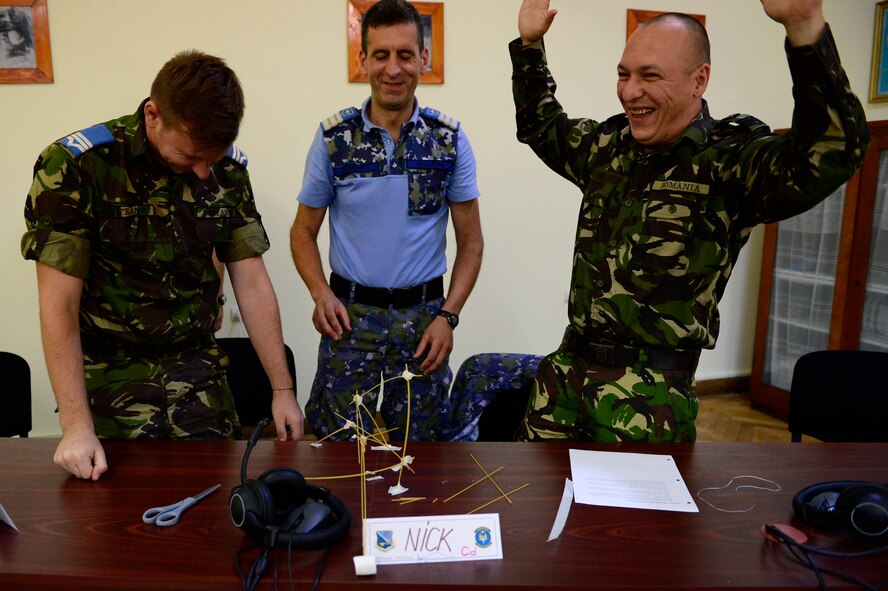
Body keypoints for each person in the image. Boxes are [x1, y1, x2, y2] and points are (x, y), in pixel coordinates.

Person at [511, 0, 869, 442]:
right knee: (535, 504)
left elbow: (832, 152)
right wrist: (530, 45)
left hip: (648, 400)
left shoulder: (728, 161)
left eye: (650, 75)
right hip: (563, 380)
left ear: (699, 79)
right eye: (624, 74)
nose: (629, 91)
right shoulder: (608, 147)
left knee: (630, 515)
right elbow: (538, 123)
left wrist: (804, 25)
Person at [22, 50, 304, 481]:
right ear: (153, 116)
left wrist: (282, 390)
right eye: (189, 155)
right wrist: (76, 427)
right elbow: (58, 304)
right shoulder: (78, 168)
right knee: (110, 524)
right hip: (108, 380)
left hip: (198, 374)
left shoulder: (226, 172)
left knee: (217, 508)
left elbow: (252, 281)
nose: (203, 171)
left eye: (213, 156)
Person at [290, 0, 483, 441]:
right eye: (381, 55)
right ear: (363, 60)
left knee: (423, 455)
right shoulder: (333, 140)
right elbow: (302, 231)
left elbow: (471, 241)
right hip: (350, 321)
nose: (393, 69)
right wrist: (320, 294)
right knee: (334, 451)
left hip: (425, 325)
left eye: (405, 54)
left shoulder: (449, 140)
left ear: (423, 59)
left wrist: (448, 317)